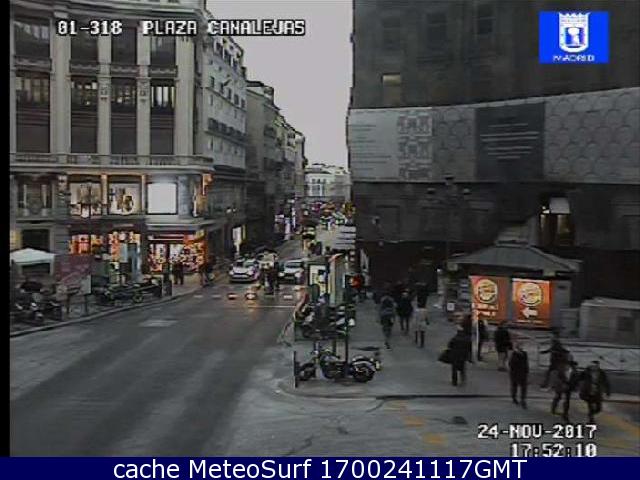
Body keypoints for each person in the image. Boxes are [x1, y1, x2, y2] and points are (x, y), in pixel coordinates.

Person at [509, 341, 529, 409]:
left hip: (523, 373)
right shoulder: (514, 354)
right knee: (514, 386)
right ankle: (514, 397)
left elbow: (526, 363)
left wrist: (527, 371)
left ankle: (523, 399)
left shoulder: (525, 353)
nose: (522, 347)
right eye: (520, 346)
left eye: (522, 346)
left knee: (524, 387)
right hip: (515, 373)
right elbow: (511, 364)